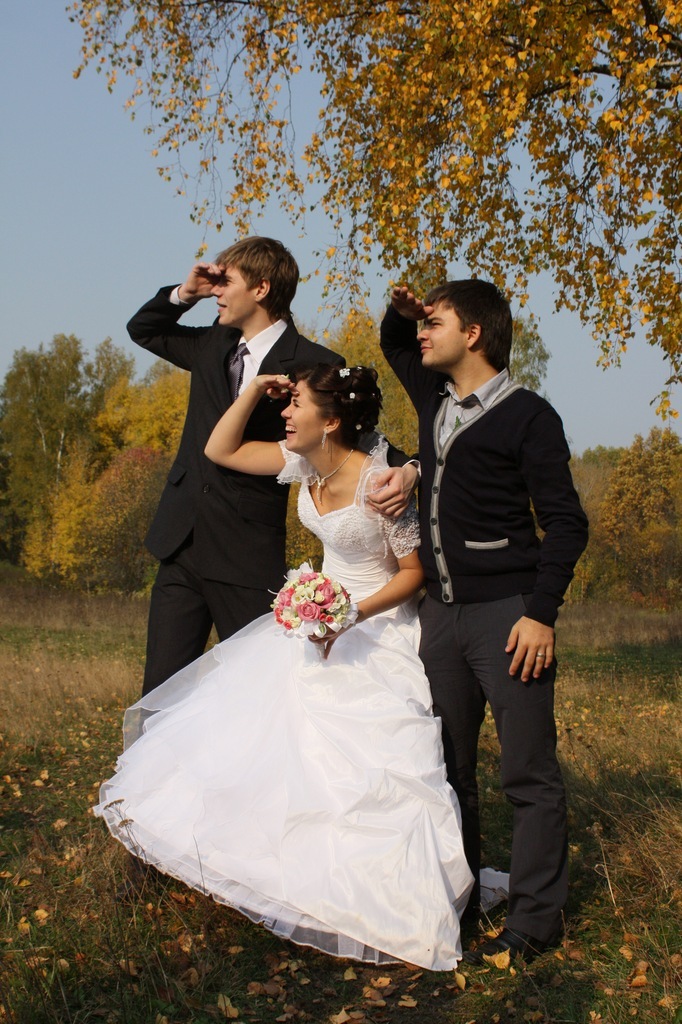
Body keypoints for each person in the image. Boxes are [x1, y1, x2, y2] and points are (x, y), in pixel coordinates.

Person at [95, 364, 474, 970]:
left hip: (374, 624)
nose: (286, 414)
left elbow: (413, 574)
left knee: (360, 765)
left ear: (332, 420)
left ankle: (369, 895)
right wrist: (253, 389)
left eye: (296, 405)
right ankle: (277, 869)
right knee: (268, 739)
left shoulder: (378, 481)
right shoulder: (302, 463)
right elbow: (219, 449)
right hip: (316, 619)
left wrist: (349, 614)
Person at [380, 282, 589, 964]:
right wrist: (405, 311)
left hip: (509, 616)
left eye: (435, 322)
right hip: (439, 617)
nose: (422, 333)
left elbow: (566, 523)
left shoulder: (530, 416)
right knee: (449, 771)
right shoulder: (432, 397)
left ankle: (535, 919)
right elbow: (393, 341)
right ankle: (460, 899)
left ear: (473, 334)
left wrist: (540, 614)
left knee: (527, 773)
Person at [127, 237, 345, 697]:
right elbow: (144, 329)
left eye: (226, 282)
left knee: (255, 692)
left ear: (261, 288)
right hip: (181, 539)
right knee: (160, 693)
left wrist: (408, 467)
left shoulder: (317, 362)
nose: (217, 291)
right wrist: (185, 293)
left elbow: (353, 439)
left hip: (246, 547)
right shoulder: (212, 343)